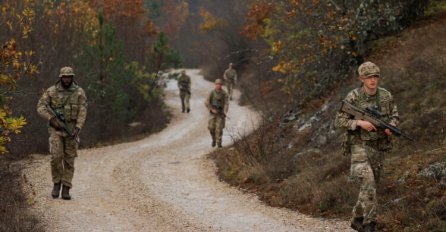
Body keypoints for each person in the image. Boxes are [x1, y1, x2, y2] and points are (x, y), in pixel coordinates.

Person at [335, 61, 399, 232]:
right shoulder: (353, 97)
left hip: (378, 147)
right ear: (361, 78)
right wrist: (359, 122)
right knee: (368, 183)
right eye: (368, 77)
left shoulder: (385, 96)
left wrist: (389, 126)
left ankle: (357, 218)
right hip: (358, 146)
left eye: (375, 76)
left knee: (370, 187)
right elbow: (339, 121)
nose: (373, 80)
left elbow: (394, 115)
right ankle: (370, 225)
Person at [37, 67, 87, 200]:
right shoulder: (52, 91)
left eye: (69, 76)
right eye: (64, 77)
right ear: (60, 77)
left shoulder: (79, 92)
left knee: (69, 160)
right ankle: (56, 183)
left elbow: (82, 111)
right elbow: (41, 107)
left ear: (72, 77)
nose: (67, 79)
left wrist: (78, 127)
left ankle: (66, 187)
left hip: (71, 130)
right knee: (55, 157)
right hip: (56, 130)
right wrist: (51, 119)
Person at [205, 79, 229, 148]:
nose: (218, 85)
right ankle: (214, 139)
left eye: (220, 84)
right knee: (211, 128)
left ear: (221, 85)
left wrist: (225, 111)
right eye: (217, 84)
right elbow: (206, 102)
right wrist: (211, 109)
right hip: (212, 113)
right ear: (215, 85)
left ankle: (219, 143)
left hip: (220, 113)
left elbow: (226, 104)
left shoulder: (224, 93)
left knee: (219, 128)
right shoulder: (211, 92)